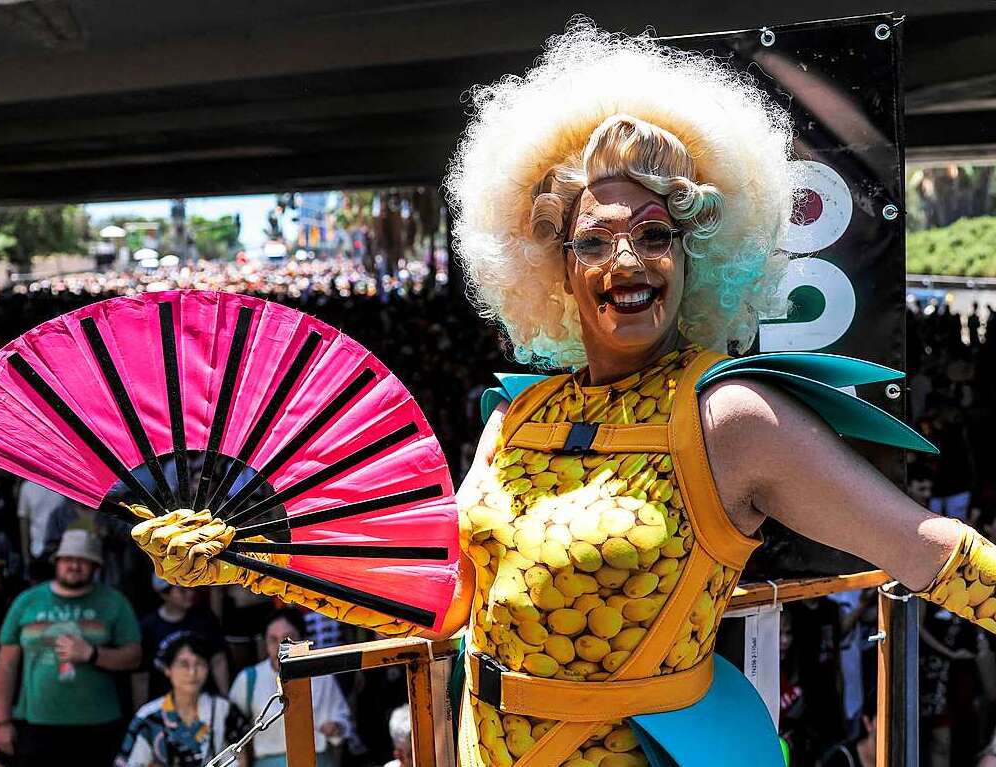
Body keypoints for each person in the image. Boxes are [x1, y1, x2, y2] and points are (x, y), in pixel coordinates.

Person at [72, 19, 996, 766]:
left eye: (656, 236)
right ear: (551, 267)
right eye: (593, 241)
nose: (626, 262)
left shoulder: (731, 419)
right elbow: (444, 594)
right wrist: (246, 557)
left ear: (697, 256)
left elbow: (926, 548)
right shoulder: (520, 414)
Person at [0, 529, 141, 767]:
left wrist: (92, 654)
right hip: (35, 723)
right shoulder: (27, 601)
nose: (74, 565)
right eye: (68, 559)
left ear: (96, 566)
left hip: (99, 726)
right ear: (57, 562)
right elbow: (6, 664)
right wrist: (2, 721)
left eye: (84, 560)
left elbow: (134, 658)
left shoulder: (114, 602)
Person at [229, 607, 350, 767]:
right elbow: (231, 728)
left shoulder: (322, 676)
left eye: (288, 639)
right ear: (265, 643)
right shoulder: (249, 679)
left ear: (303, 640)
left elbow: (342, 719)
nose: (280, 647)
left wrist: (335, 728)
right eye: (273, 639)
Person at [117, 631, 249, 767]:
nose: (192, 672)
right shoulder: (148, 717)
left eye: (199, 664)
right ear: (167, 669)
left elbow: (239, 759)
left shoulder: (223, 709)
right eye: (183, 665)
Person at [135, 574, 229, 710]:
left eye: (191, 587)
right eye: (182, 590)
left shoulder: (205, 619)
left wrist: (224, 698)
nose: (190, 593)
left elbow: (218, 660)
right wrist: (141, 710)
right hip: (164, 705)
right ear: (164, 594)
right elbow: (140, 676)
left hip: (204, 701)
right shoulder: (148, 627)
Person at [17, 479, 70, 583]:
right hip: (36, 551)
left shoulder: (64, 484)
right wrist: (26, 556)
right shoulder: (27, 487)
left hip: (61, 551)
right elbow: (24, 522)